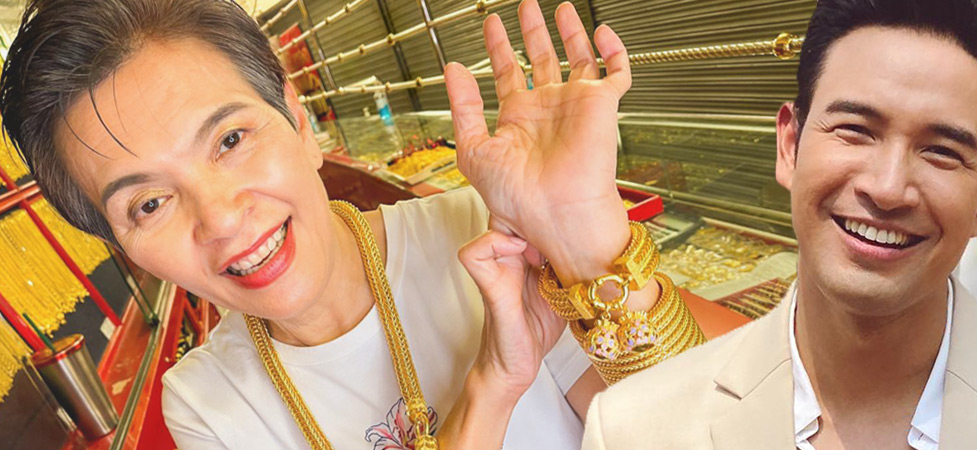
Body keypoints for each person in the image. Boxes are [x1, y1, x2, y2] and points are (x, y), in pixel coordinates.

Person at [0, 0, 701, 448]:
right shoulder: (207, 406)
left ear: (299, 121)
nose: (222, 218)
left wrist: (588, 241)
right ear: (123, 247)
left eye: (231, 140)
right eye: (149, 204)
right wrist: (491, 386)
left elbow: (695, 429)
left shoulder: (480, 234)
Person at [579, 0, 977, 449]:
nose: (886, 187)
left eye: (941, 151)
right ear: (789, 146)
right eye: (855, 130)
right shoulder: (636, 429)